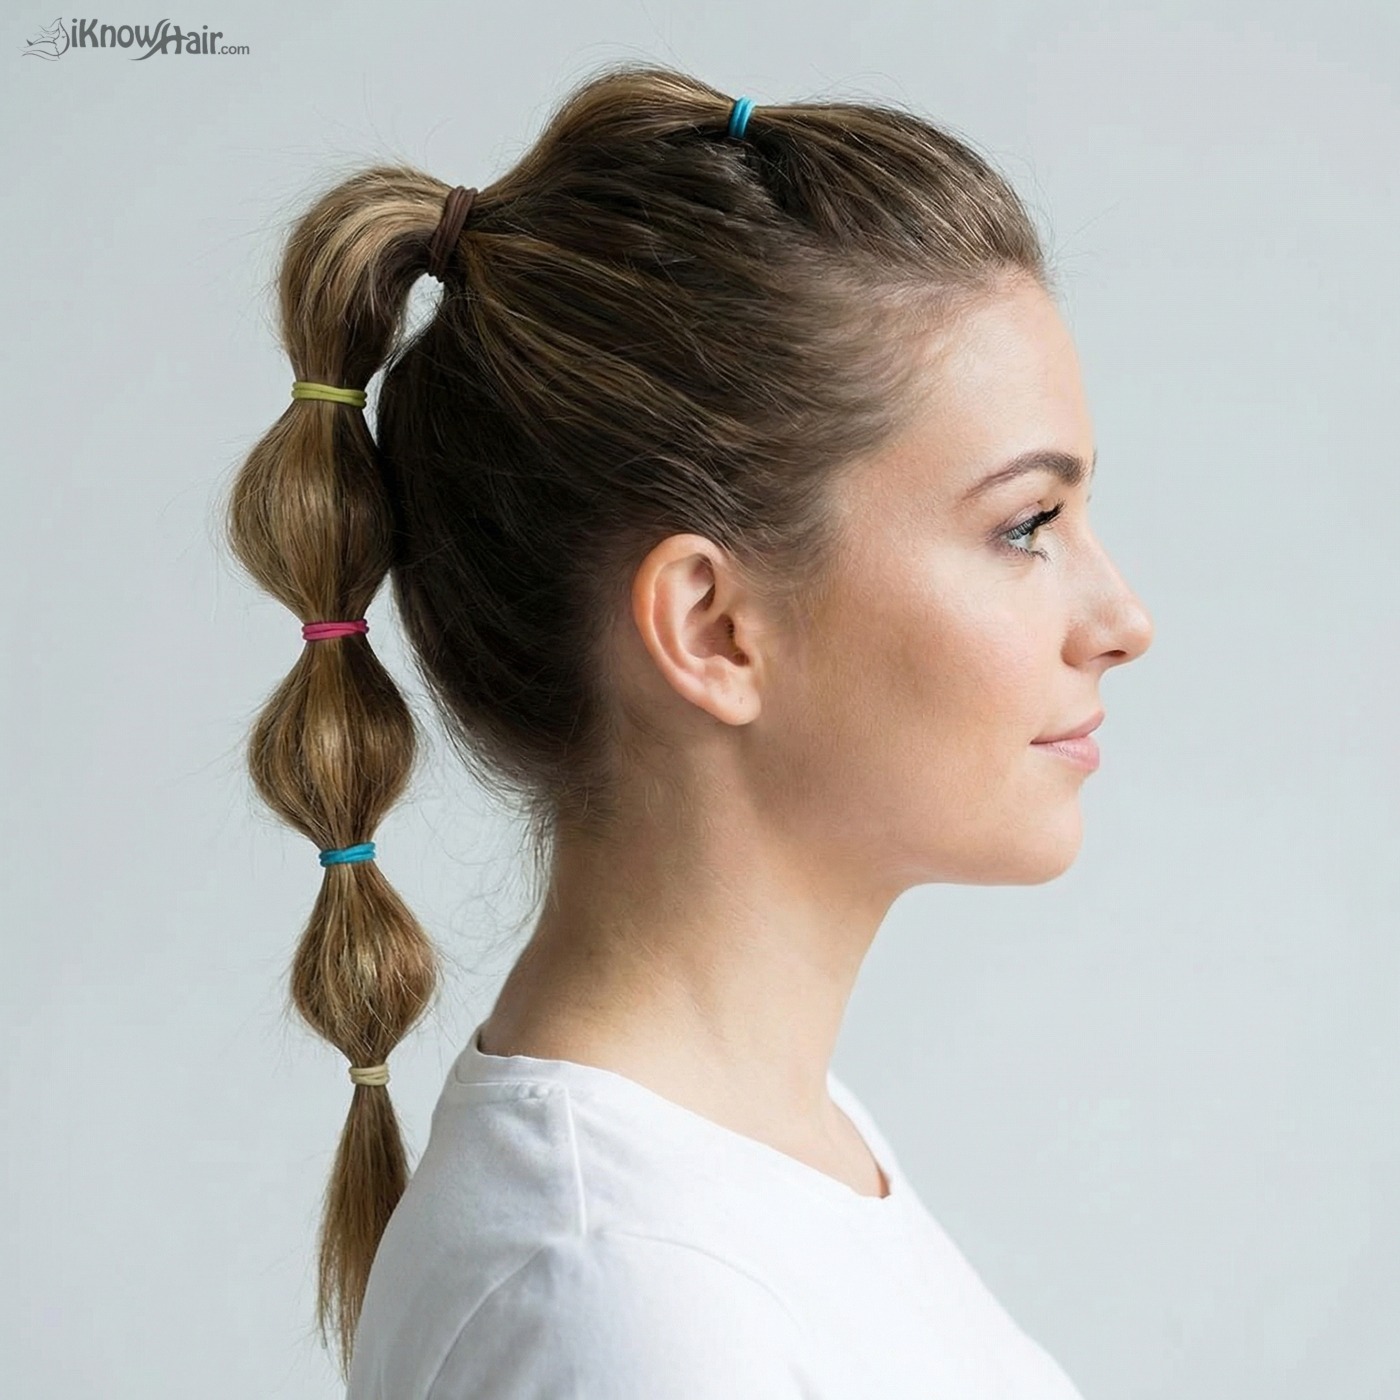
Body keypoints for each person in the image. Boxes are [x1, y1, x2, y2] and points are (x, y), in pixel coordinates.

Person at [222, 60, 1152, 1398]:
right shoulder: (623, 1301)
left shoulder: (759, 1169)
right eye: (1027, 526)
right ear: (713, 629)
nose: (1121, 617)